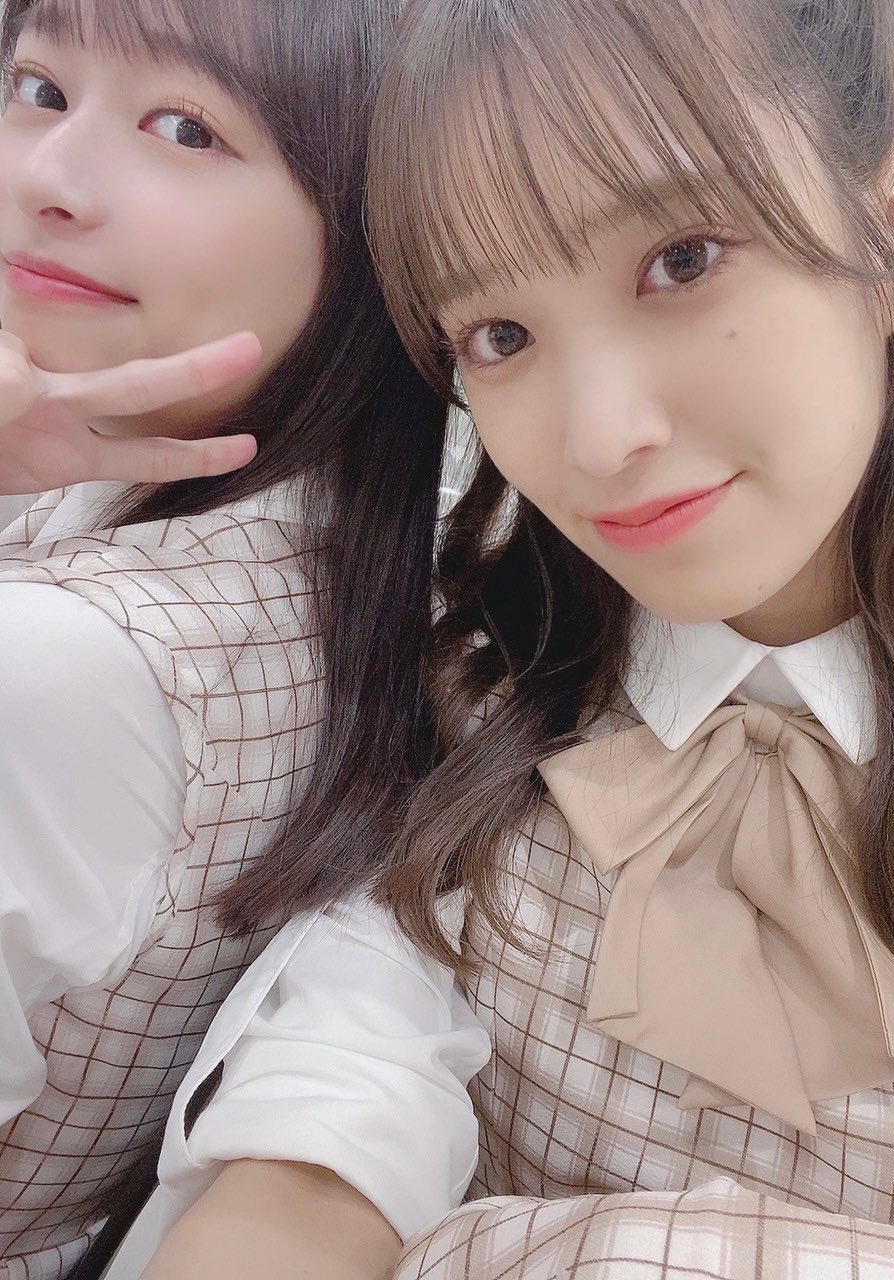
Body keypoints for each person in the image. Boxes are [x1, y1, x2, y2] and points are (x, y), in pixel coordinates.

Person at [137, 0, 894, 1275]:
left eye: (683, 258)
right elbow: (327, 1114)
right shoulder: (485, 702)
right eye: (501, 335)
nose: (600, 437)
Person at [0, 0, 451, 1276]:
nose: (49, 177)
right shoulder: (344, 568)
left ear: (370, 238)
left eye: (187, 127)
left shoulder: (59, 667)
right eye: (38, 89)